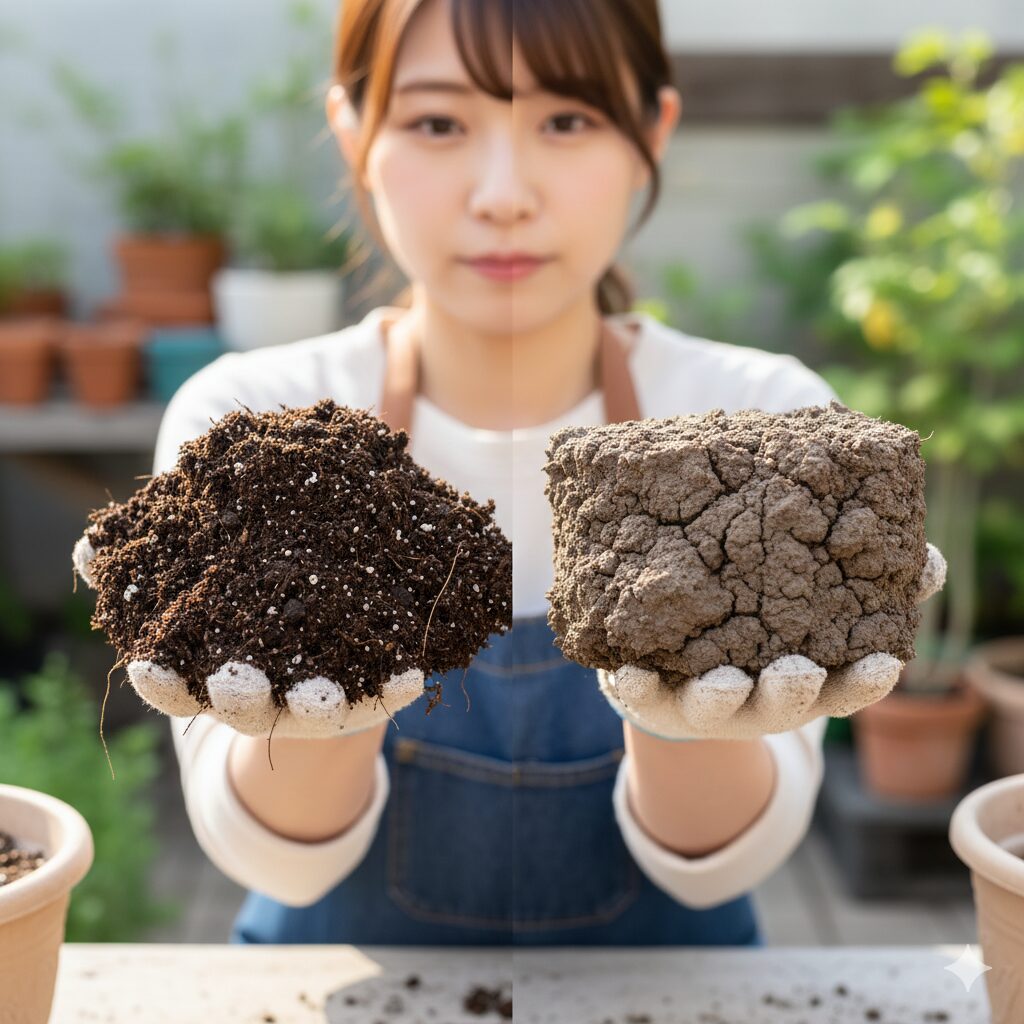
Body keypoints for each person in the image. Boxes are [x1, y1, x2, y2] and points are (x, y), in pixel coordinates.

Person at [155, 0, 840, 946]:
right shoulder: (249, 436)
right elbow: (278, 862)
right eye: (439, 122)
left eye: (567, 120)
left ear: (651, 131)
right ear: (354, 134)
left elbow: (725, 863)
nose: (504, 195)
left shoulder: (764, 435)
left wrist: (684, 717)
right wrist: (327, 714)